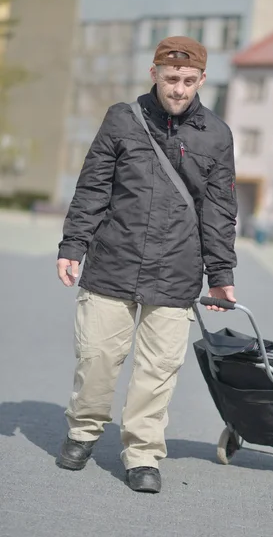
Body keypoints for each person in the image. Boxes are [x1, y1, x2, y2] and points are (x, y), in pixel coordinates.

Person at [56, 36, 238, 494]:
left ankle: (142, 453)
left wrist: (220, 276)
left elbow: (219, 210)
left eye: (189, 81)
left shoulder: (217, 135)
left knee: (157, 371)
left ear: (202, 80)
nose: (179, 89)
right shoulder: (122, 119)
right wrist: (73, 244)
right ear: (154, 72)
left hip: (176, 269)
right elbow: (93, 186)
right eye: (171, 78)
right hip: (112, 262)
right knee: (97, 356)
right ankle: (83, 431)